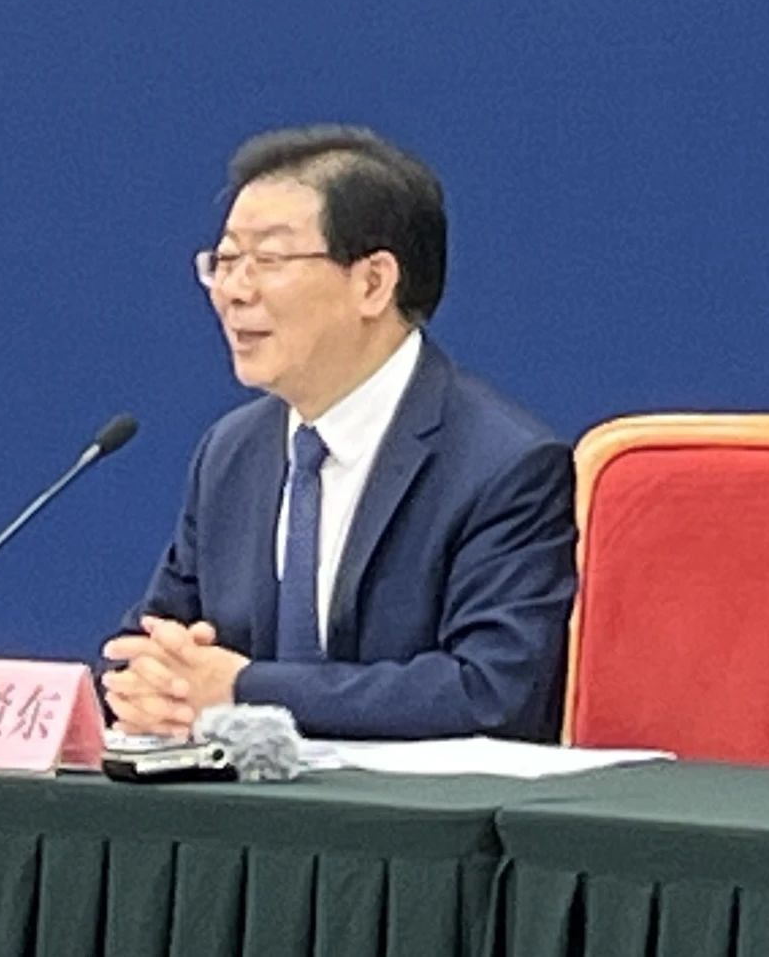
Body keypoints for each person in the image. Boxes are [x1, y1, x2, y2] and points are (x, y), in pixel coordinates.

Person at [104, 126, 577, 742]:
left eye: (268, 261)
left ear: (374, 283)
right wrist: (145, 688)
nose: (233, 291)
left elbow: (491, 692)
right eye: (224, 261)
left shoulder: (504, 464)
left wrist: (246, 692)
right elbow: (155, 643)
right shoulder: (230, 452)